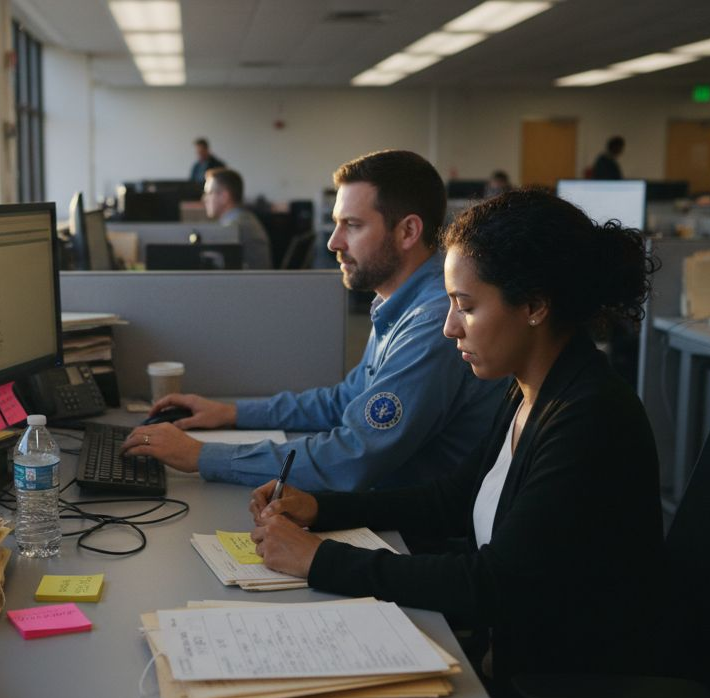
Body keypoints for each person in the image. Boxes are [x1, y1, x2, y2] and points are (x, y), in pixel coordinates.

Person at [248, 189, 665, 698]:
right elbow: (454, 499)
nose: (449, 328)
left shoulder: (589, 418)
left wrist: (317, 560)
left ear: (535, 305)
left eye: (465, 306)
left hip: (558, 697)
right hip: (513, 654)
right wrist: (323, 509)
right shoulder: (529, 388)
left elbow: (494, 586)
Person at [121, 150, 507, 495]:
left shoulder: (433, 322)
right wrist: (232, 413)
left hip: (414, 535)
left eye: (352, 225)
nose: (333, 242)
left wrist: (203, 456)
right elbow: (345, 401)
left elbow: (353, 456)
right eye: (337, 224)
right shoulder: (398, 301)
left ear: (408, 231)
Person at [202, 168, 272, 270]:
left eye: (209, 193)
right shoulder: (244, 219)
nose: (204, 198)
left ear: (224, 197)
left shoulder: (234, 228)